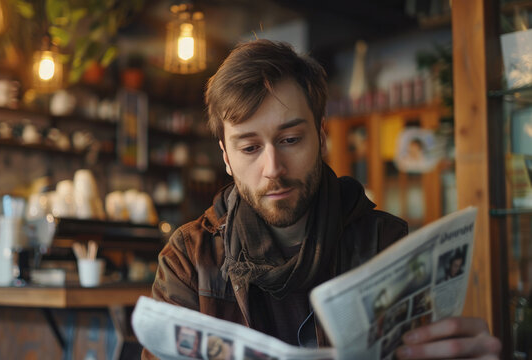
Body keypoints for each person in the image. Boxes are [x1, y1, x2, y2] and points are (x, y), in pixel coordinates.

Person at [143, 40, 500, 359]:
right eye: (250, 147)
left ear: (321, 135)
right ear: (225, 156)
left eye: (290, 139)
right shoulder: (189, 260)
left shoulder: (386, 244)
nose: (273, 168)